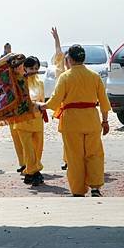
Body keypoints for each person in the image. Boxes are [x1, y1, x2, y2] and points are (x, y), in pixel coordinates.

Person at [39, 44, 111, 197]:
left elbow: (55, 100)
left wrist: (42, 106)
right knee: (94, 154)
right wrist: (105, 121)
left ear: (69, 59)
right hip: (91, 119)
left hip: (71, 121)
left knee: (75, 157)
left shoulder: (65, 77)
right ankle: (95, 187)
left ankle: (78, 190)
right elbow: (104, 102)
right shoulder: (94, 76)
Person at [12, 56, 46, 186]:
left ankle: (30, 173)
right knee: (29, 149)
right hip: (23, 121)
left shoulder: (40, 83)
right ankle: (35, 172)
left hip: (37, 120)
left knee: (38, 148)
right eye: (32, 68)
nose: (34, 70)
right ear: (25, 68)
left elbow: (42, 101)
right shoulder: (19, 81)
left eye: (37, 68)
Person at [51, 27, 69, 171]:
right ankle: (68, 159)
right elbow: (58, 53)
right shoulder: (62, 73)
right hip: (66, 111)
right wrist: (57, 40)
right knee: (67, 138)